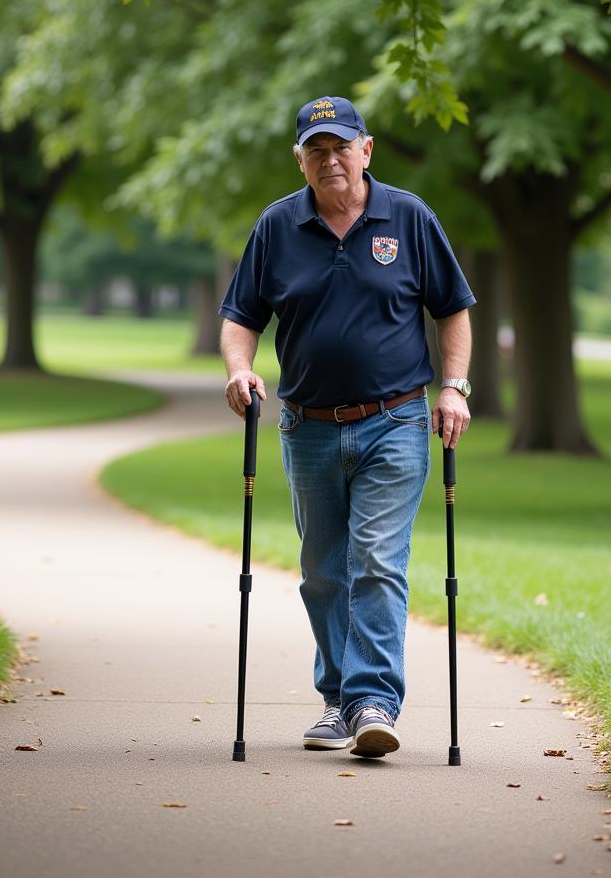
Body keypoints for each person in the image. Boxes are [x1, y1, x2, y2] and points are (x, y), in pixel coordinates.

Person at [219, 95, 475, 759]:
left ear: (367, 150)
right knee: (323, 571)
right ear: (299, 160)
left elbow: (452, 309)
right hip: (307, 426)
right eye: (316, 150)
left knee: (377, 560)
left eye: (341, 146)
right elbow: (240, 315)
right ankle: (338, 699)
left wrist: (453, 386)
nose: (329, 159)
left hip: (395, 419)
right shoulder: (277, 227)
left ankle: (373, 701)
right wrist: (239, 369)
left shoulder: (409, 217)